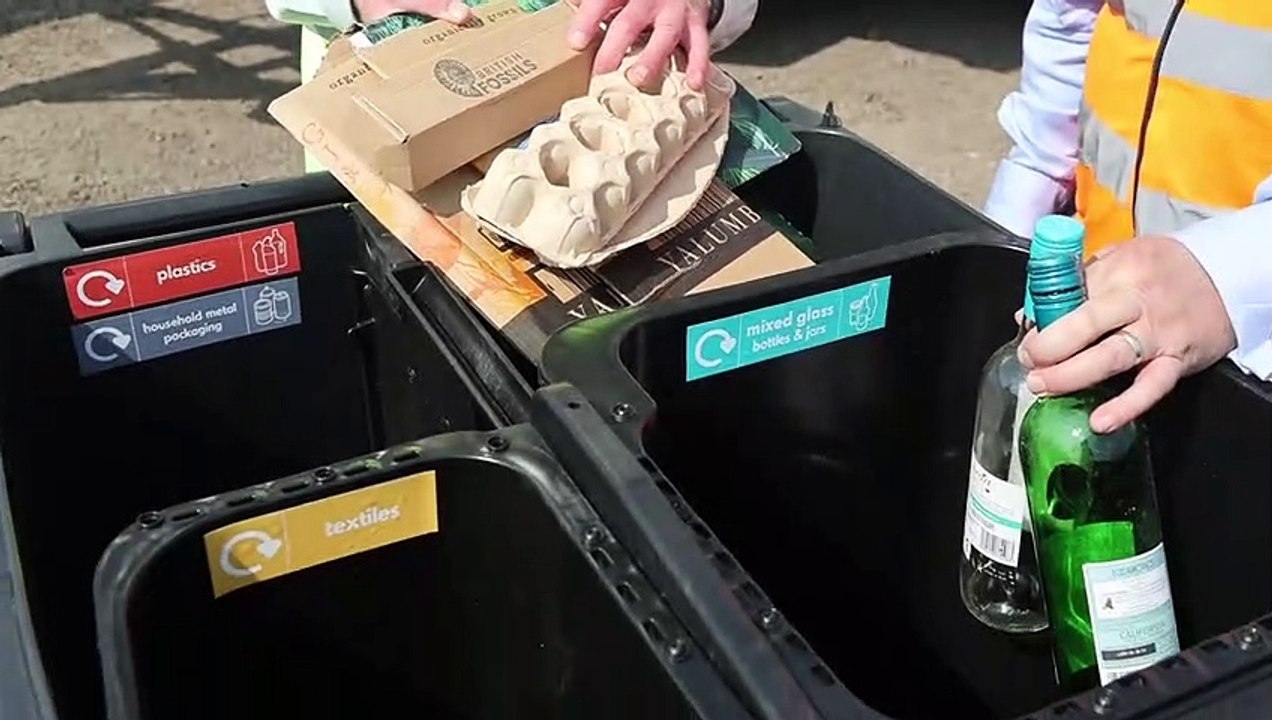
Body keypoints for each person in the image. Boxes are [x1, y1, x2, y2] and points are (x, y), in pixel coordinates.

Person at [982, 0, 1272, 434]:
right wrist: (1029, 187)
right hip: (1095, 314)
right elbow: (1074, 14)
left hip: (1247, 363)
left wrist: (1230, 274)